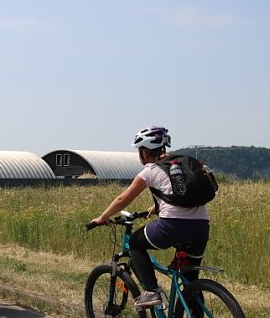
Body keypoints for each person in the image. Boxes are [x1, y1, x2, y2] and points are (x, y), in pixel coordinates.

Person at [89, 126, 210, 308]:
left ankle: (152, 292)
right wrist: (157, 206)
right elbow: (180, 194)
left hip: (173, 226)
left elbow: (123, 199)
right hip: (201, 227)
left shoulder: (151, 170)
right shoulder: (179, 164)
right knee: (189, 280)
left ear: (145, 152)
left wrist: (103, 217)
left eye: (139, 151)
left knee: (135, 243)